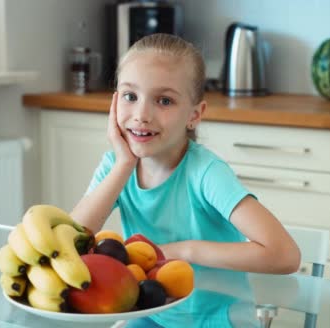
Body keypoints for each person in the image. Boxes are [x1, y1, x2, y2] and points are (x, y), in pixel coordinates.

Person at [71, 33, 301, 327]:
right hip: (151, 313)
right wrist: (124, 165)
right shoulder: (115, 166)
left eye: (164, 100)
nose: (141, 115)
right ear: (114, 103)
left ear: (194, 115)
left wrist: (184, 250)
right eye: (130, 96)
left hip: (217, 319)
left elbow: (285, 255)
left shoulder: (206, 172)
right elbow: (72, 241)